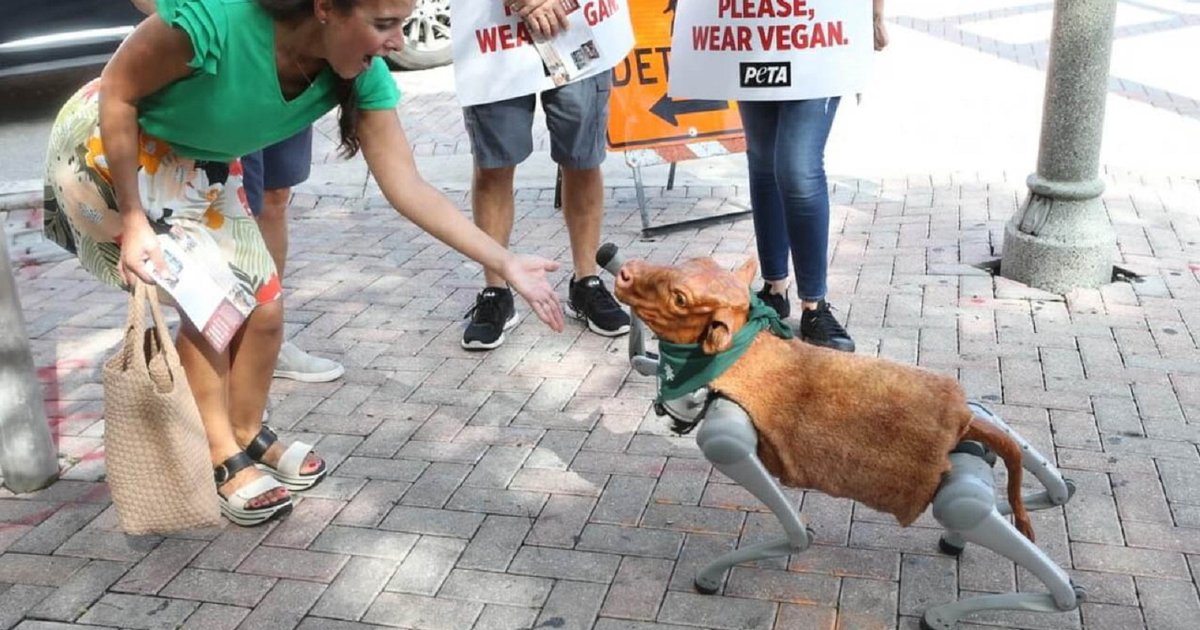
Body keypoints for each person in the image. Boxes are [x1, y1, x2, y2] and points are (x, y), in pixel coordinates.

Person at [43, 0, 564, 526]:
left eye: (403, 24)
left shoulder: (363, 75)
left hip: (196, 162)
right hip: (110, 153)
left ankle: (245, 431)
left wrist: (505, 260)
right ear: (325, 10)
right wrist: (133, 219)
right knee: (215, 311)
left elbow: (407, 187)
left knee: (265, 309)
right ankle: (221, 456)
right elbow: (117, 91)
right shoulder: (212, 20)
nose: (399, 41)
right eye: (384, 24)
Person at [127, 4, 343, 385]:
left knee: (275, 198)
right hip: (226, 57)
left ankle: (261, 341)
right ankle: (217, 344)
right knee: (224, 211)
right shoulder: (207, 21)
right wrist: (197, 17)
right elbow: (118, 92)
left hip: (296, 46)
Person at [456, 0, 630, 350]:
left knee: (582, 160)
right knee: (494, 166)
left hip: (576, 19)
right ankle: (496, 289)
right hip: (491, 27)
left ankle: (587, 282)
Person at [739, 0, 889, 354]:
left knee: (797, 167)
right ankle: (774, 289)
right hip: (750, 33)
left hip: (817, 36)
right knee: (763, 161)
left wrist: (874, 14)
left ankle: (814, 304)